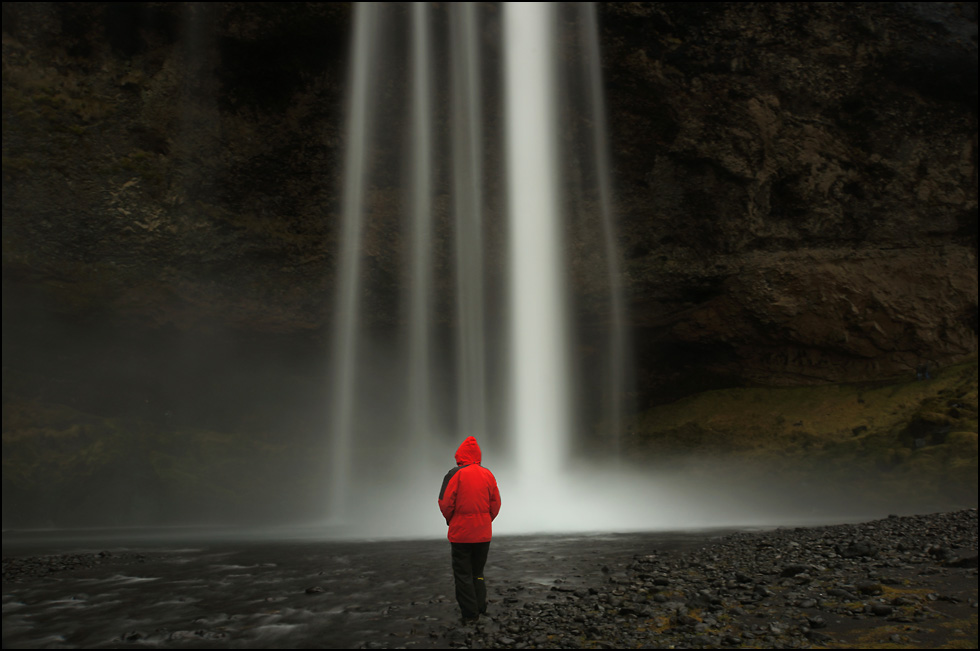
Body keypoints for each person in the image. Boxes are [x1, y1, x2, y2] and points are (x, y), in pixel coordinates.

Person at [438, 436, 501, 624]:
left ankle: (470, 614)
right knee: (478, 572)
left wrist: (452, 520)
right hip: (483, 533)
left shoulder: (453, 474)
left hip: (461, 534)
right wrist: (486, 521)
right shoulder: (487, 474)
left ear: (460, 454)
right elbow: (496, 503)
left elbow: (444, 503)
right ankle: (481, 607)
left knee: (463, 574)